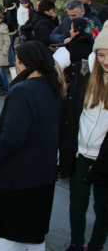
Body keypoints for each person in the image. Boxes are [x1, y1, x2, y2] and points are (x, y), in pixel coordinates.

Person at [0, 41, 64, 251]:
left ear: (25, 64)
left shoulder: (22, 90)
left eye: (18, 59)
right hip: (41, 182)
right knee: (32, 241)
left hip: (12, 183)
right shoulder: (53, 89)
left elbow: (12, 137)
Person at [59, 20, 108, 251]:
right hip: (81, 154)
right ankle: (76, 242)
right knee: (77, 206)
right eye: (101, 55)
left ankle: (96, 245)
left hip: (104, 158)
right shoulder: (86, 78)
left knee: (103, 209)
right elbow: (73, 114)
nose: (105, 61)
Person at [2, 0, 18, 67]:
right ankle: (11, 63)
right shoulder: (14, 9)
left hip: (9, 31)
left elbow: (8, 21)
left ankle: (10, 64)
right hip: (13, 30)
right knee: (11, 48)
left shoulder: (8, 11)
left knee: (9, 49)